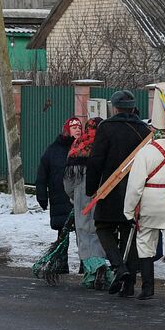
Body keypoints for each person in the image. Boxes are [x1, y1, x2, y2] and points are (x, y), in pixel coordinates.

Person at [123, 84, 165, 307]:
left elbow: (135, 186)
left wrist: (129, 210)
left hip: (151, 202)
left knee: (145, 242)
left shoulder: (147, 151)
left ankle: (148, 288)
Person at [86, 90, 151, 297]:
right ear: (133, 108)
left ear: (114, 107)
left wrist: (92, 189)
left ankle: (118, 267)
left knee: (103, 227)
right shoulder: (144, 130)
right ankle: (129, 285)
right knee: (129, 232)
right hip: (136, 190)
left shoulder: (106, 128)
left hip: (110, 189)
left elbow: (96, 160)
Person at [64, 117, 108, 288]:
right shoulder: (105, 145)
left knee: (83, 233)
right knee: (99, 231)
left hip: (82, 196)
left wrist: (74, 197)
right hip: (103, 193)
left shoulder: (77, 147)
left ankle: (93, 271)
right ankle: (100, 267)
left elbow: (68, 180)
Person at [34, 118, 77, 274]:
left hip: (78, 198)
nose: (76, 131)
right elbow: (42, 175)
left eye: (78, 127)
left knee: (82, 233)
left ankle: (85, 265)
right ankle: (61, 263)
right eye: (72, 128)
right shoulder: (53, 150)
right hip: (59, 198)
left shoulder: (83, 148)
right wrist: (42, 196)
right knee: (62, 233)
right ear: (65, 130)